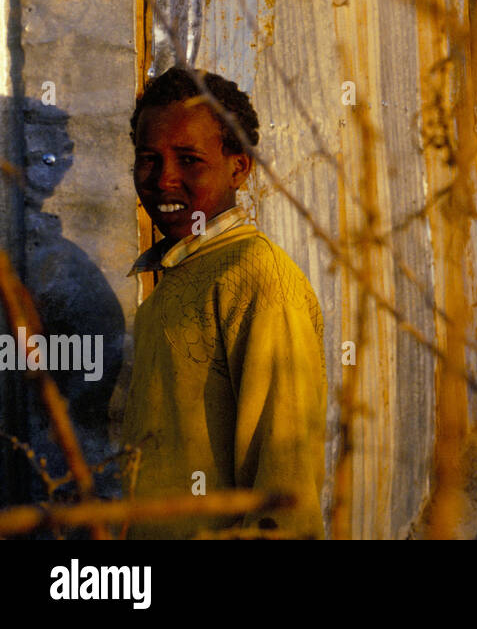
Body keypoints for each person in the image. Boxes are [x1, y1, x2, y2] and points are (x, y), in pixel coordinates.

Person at [122, 66, 326, 538]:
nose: (164, 179)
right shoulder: (173, 276)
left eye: (189, 159)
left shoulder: (259, 280)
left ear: (239, 167)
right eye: (148, 158)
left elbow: (286, 495)